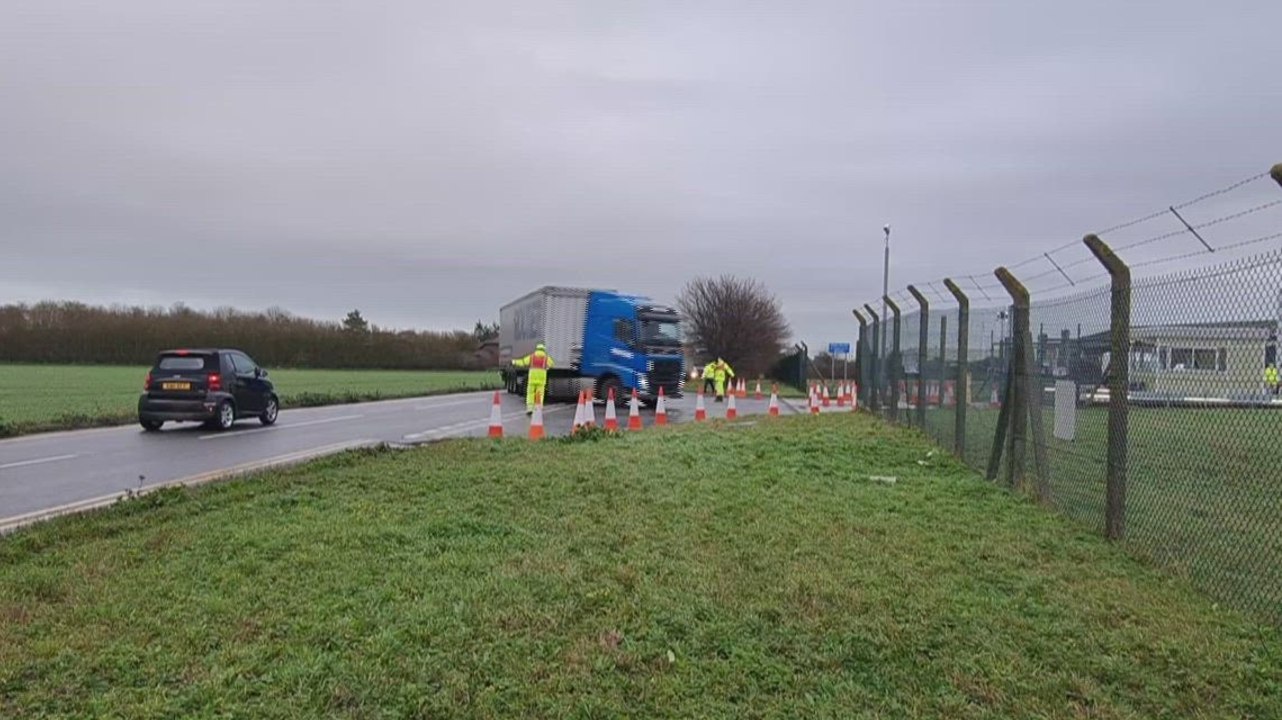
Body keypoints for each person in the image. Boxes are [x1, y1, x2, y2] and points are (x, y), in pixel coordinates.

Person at [512, 342, 554, 414]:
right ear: (544, 350)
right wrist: (547, 367)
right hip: (541, 380)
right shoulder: (546, 358)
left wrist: (514, 362)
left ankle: (530, 409)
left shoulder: (532, 357)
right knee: (540, 394)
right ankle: (538, 409)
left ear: (536, 349)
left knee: (530, 393)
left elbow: (523, 362)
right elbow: (552, 364)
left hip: (532, 379)